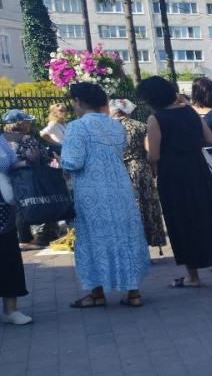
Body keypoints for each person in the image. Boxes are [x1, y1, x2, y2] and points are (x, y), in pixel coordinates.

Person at [140, 76, 212, 291]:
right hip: (199, 170)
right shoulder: (189, 112)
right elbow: (211, 141)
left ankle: (192, 276)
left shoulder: (155, 119)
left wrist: (149, 149)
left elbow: (154, 156)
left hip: (173, 177)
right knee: (209, 215)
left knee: (182, 223)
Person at [61, 82, 151, 308]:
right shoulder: (116, 127)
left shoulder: (76, 127)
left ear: (78, 102)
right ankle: (134, 293)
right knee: (125, 237)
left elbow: (73, 162)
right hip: (120, 188)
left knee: (94, 240)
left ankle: (97, 294)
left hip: (92, 192)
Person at [109, 98, 167, 254]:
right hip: (140, 168)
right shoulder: (140, 126)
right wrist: (154, 171)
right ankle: (148, 240)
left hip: (117, 170)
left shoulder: (106, 129)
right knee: (145, 204)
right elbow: (149, 150)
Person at [3, 109, 58, 250]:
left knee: (16, 207)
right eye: (27, 121)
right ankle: (26, 238)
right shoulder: (26, 139)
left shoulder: (3, 139)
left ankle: (22, 237)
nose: (29, 124)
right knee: (26, 205)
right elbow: (42, 154)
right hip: (27, 175)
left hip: (10, 175)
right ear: (21, 124)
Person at [0, 137, 31, 324]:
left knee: (8, 256)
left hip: (4, 209)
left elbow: (11, 163)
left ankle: (10, 309)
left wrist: (29, 161)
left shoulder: (1, 140)